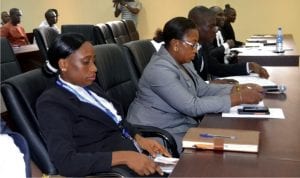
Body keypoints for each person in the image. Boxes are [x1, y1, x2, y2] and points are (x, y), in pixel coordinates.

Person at [36, 33, 171, 177]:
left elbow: (117, 121)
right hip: (116, 171)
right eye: (86, 62)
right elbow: (66, 163)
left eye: (94, 61)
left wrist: (139, 138)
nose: (94, 68)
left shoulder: (89, 86)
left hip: (135, 156)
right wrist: (125, 157)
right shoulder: (52, 103)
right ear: (64, 64)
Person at [126, 17, 264, 152]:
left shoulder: (184, 62)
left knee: (235, 139)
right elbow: (192, 106)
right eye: (193, 44)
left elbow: (202, 89)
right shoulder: (159, 70)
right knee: (222, 150)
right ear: (176, 44)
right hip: (158, 133)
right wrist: (238, 98)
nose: (196, 50)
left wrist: (236, 88)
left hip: (181, 125)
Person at [188, 6, 269, 83]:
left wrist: (249, 66)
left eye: (215, 25)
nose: (216, 30)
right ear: (195, 26)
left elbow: (217, 68)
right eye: (211, 26)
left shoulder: (202, 46)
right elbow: (188, 87)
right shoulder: (185, 51)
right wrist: (211, 83)